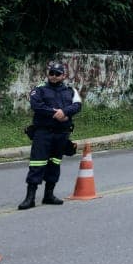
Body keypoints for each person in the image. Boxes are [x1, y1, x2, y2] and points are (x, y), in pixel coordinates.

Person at [18, 61, 82, 210]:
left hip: (61, 134)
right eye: (51, 73)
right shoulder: (39, 90)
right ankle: (30, 198)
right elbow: (37, 106)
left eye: (57, 74)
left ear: (63, 75)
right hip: (43, 133)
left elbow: (77, 105)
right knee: (36, 164)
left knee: (54, 163)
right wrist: (56, 114)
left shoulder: (70, 90)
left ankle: (49, 195)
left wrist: (65, 112)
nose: (54, 76)